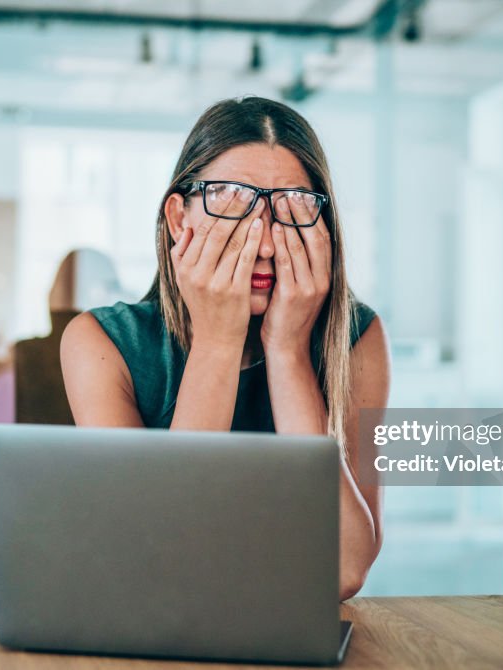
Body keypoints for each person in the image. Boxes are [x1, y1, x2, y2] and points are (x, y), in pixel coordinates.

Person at [60, 96, 390, 600]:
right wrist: (217, 339)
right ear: (178, 218)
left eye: (293, 207)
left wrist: (287, 351)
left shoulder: (359, 339)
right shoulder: (101, 343)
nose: (262, 243)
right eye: (232, 201)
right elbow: (157, 559)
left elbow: (343, 570)